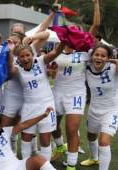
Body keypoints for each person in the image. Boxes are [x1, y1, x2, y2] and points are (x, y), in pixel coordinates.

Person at [50, 1, 100, 169]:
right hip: (57, 91)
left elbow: (96, 25)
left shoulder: (85, 51)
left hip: (76, 95)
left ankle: (71, 165)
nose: (75, 35)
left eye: (78, 32)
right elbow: (51, 67)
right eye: (72, 32)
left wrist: (96, 4)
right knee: (52, 125)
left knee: (71, 130)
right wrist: (55, 11)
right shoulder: (59, 50)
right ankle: (59, 146)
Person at [7, 41, 65, 161]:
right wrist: (11, 52)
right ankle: (25, 165)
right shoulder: (17, 69)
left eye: (27, 55)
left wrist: (64, 40)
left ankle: (45, 166)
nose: (25, 58)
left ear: (32, 55)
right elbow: (10, 69)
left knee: (45, 140)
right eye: (22, 56)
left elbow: (56, 52)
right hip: (29, 107)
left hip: (46, 105)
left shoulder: (40, 61)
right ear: (18, 58)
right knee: (26, 137)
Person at [82, 45, 118, 170]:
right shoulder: (87, 67)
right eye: (97, 55)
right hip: (94, 109)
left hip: (111, 110)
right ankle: (94, 158)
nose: (99, 58)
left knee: (103, 141)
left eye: (103, 56)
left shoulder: (114, 68)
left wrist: (115, 61)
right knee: (91, 135)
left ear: (108, 58)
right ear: (92, 56)